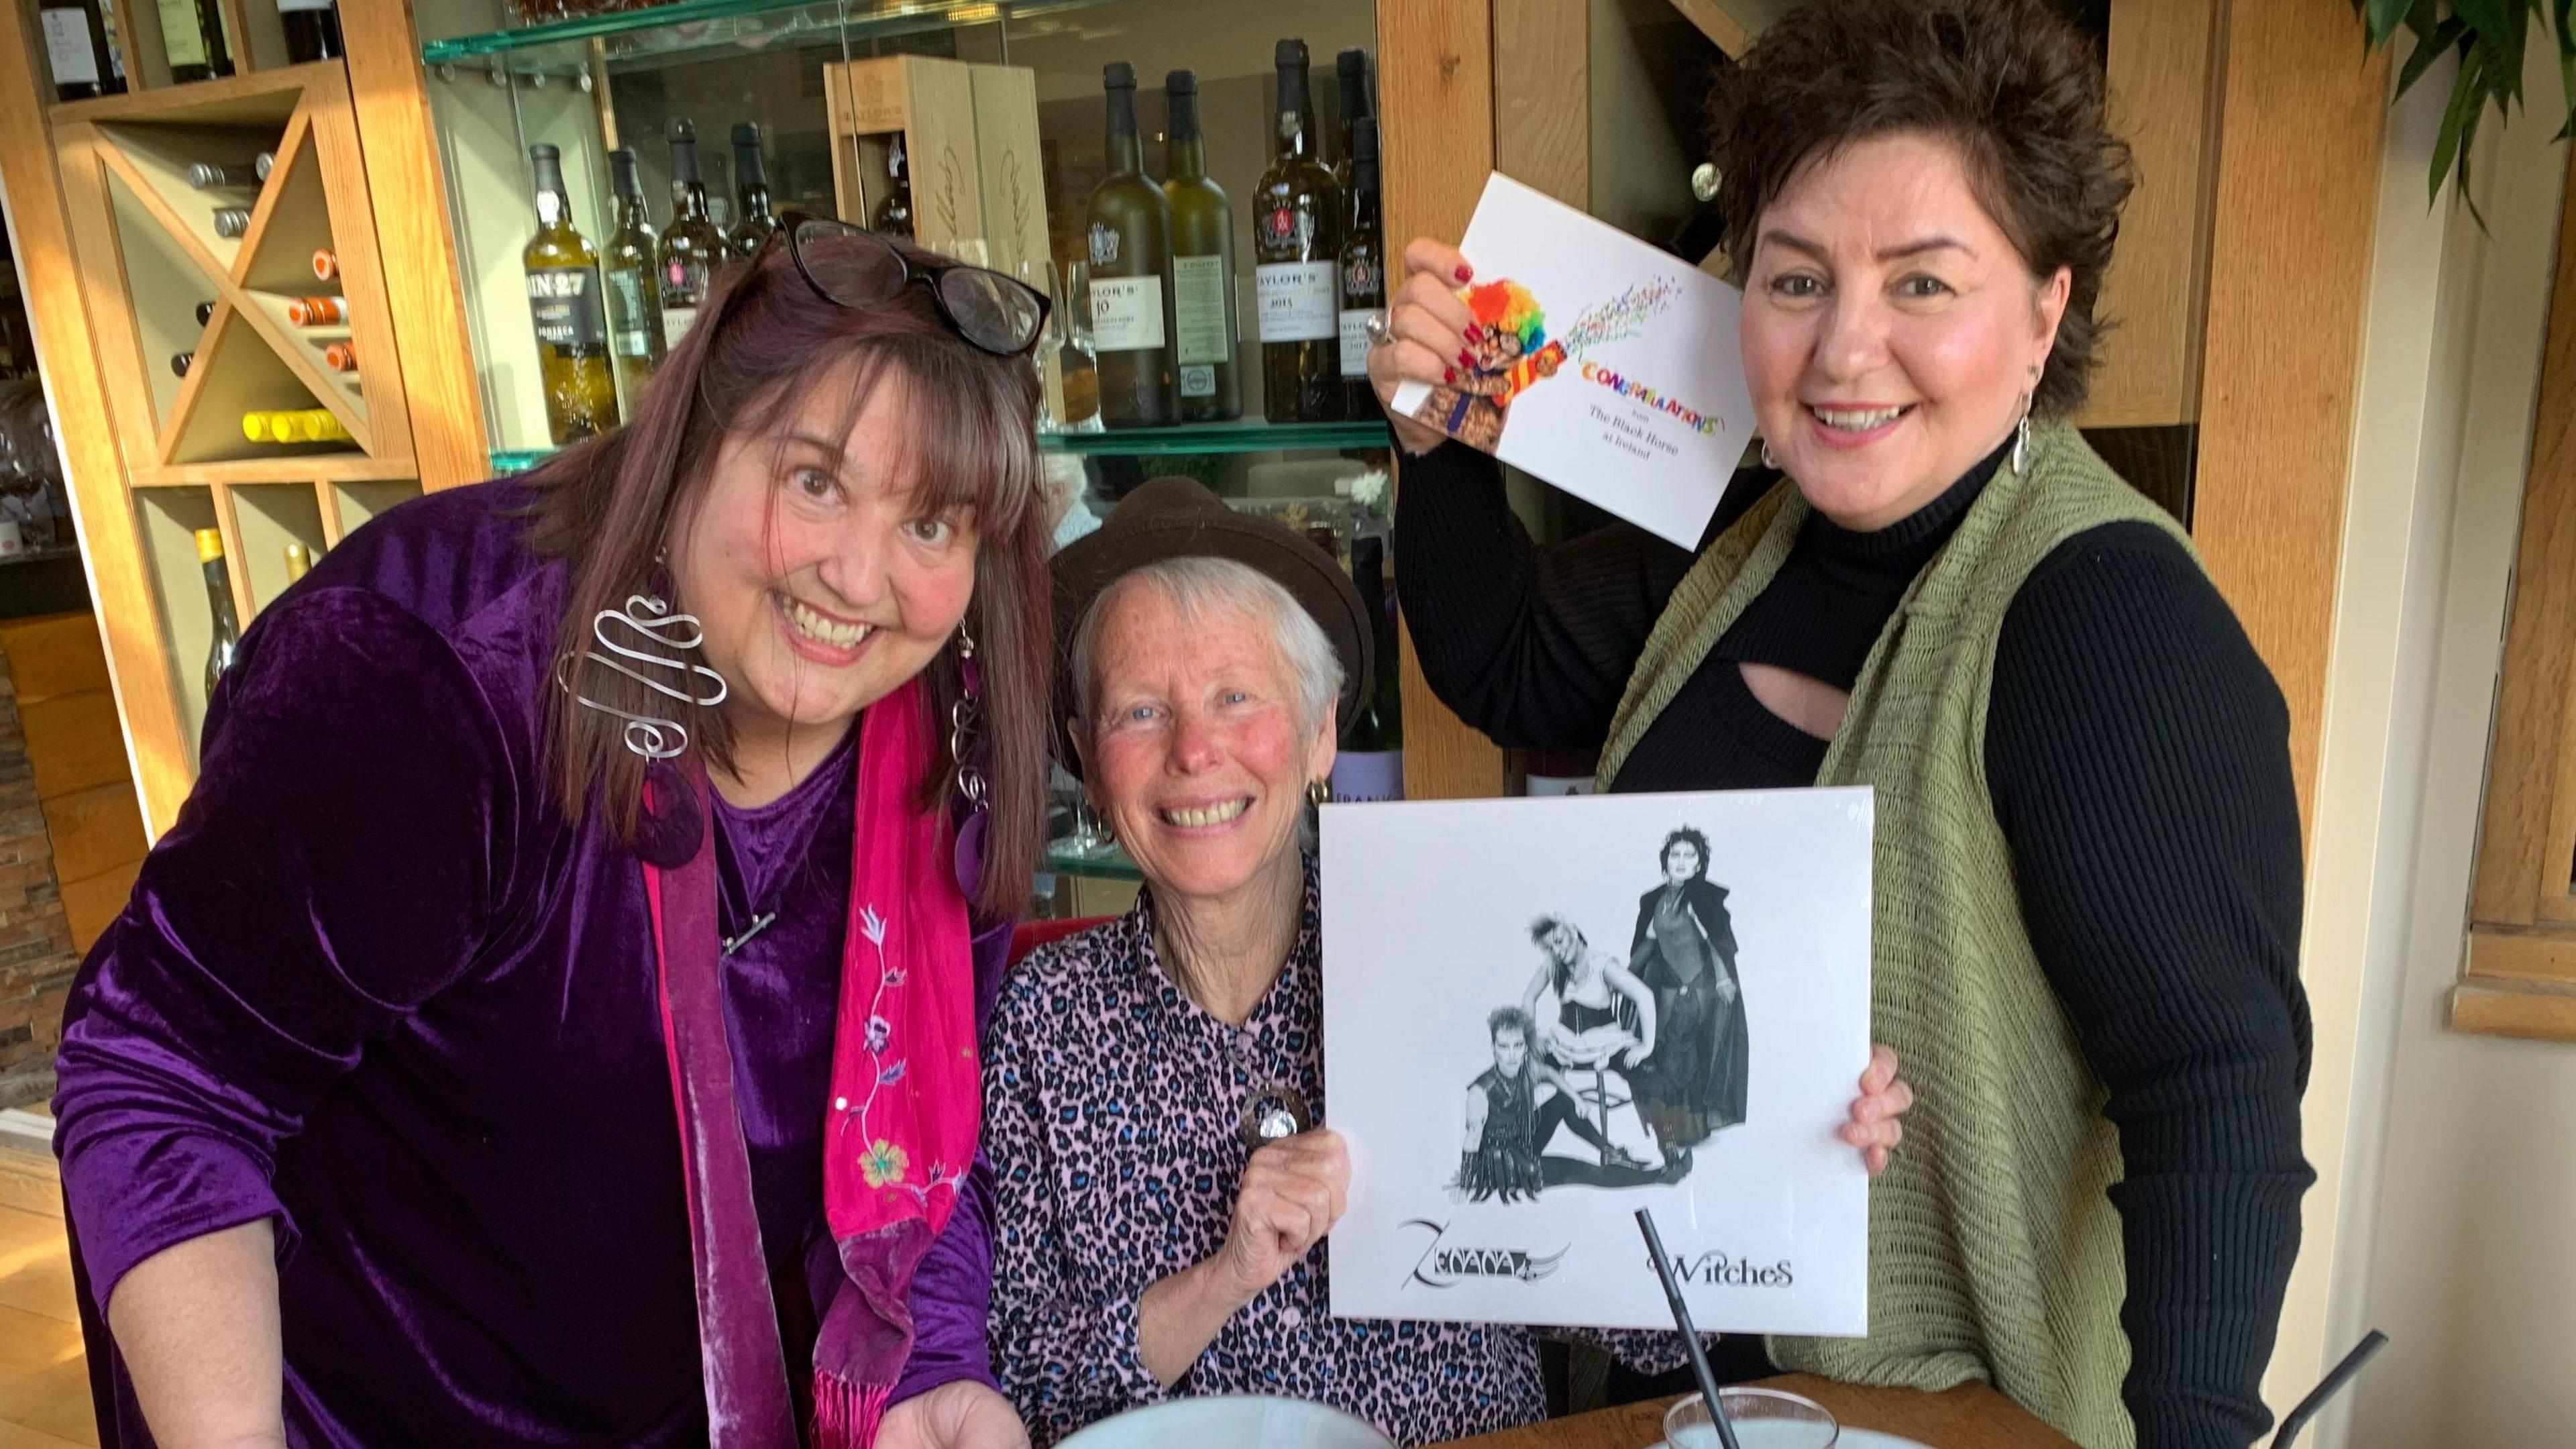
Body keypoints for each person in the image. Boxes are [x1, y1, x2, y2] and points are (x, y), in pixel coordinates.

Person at [1365, 2, 2312, 1445]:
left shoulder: (2102, 613)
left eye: (1923, 283)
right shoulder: (1743, 552)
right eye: (1797, 279)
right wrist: (1433, 444)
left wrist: (2193, 1433)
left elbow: (2216, 1083)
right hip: (1680, 1390)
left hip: (1945, 1411)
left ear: (2046, 311)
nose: (1844, 349)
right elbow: (1503, 663)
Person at [52, 220, 1056, 1449]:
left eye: (933, 525)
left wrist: (930, 1370)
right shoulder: (444, 672)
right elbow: (164, 1076)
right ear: (691, 438)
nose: (858, 578)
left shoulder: (948, 752)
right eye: (814, 482)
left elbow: (925, 1138)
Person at [983, 478, 1915, 1447]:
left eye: (1236, 696)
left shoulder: (1437, 950)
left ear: (1320, 735)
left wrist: (1788, 1147)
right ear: (1087, 761)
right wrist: (1225, 1278)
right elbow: (1022, 1391)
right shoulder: (1041, 1022)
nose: (1194, 750)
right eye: (1140, 712)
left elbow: (1638, 1320)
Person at [1458, 1006, 1682, 1201]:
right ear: (1494, 1048)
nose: (1511, 1055)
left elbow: (1548, 1074)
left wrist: (1576, 1099)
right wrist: (1466, 1185)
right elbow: (1472, 1138)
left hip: (1523, 1142)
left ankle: (1609, 1151)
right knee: (1584, 1172)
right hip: (1502, 1166)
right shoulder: (1480, 1091)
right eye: (1504, 1047)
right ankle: (1661, 1177)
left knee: (1562, 1101)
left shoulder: (1528, 1070)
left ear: (1526, 1048)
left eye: (1517, 1046)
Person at [1625, 828, 1749, 1148]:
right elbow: (1647, 945)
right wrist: (1622, 977)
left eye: (1689, 856)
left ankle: (1691, 1130)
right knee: (1663, 1049)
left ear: (1699, 865)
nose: (1681, 862)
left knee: (1686, 1054)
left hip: (1702, 988)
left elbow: (1716, 943)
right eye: (1675, 855)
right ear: (1665, 861)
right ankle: (1670, 1124)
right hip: (1669, 985)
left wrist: (1723, 981)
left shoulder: (1701, 898)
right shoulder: (1655, 900)